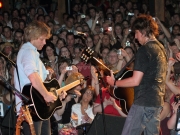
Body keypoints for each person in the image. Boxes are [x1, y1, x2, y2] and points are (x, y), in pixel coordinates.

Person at [106, 14, 167, 135]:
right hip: (156, 102)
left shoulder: (144, 50)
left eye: (136, 33)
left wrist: (114, 82)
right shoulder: (161, 48)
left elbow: (135, 80)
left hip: (143, 103)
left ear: (143, 31)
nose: (135, 37)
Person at [14, 21, 66, 135]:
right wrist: (47, 95)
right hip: (32, 108)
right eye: (42, 39)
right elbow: (33, 76)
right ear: (33, 37)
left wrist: (56, 94)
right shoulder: (28, 52)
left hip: (39, 107)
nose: (45, 42)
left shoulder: (32, 53)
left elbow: (42, 83)